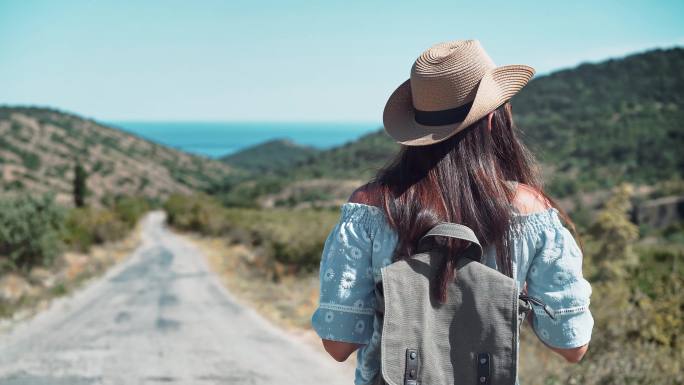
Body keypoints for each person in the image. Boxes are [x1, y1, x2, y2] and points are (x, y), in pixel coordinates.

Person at [311, 40, 593, 385]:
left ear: (414, 129)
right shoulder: (530, 213)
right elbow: (572, 345)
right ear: (492, 120)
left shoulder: (371, 208)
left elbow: (338, 345)